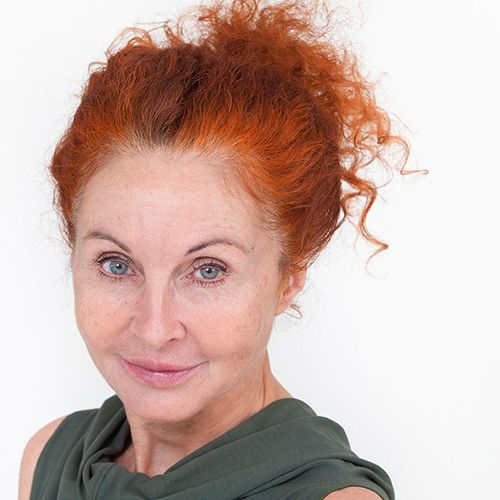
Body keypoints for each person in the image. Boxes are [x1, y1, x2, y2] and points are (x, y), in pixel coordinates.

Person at [19, 0, 416, 498]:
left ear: (289, 277)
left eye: (208, 270)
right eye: (116, 264)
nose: (155, 329)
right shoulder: (49, 456)